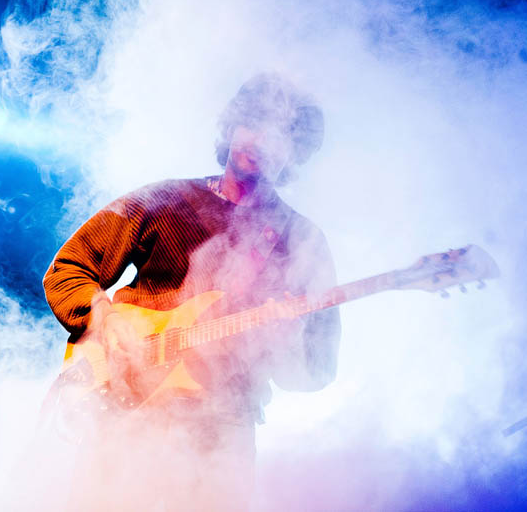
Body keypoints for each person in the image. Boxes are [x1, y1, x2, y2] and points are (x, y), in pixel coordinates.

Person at [42, 73, 342, 510]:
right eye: (252, 122)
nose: (259, 139)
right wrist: (103, 320)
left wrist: (284, 339)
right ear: (232, 125)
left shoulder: (302, 242)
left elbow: (317, 369)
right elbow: (70, 267)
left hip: (222, 437)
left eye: (278, 134)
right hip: (127, 414)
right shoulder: (165, 200)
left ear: (294, 154)